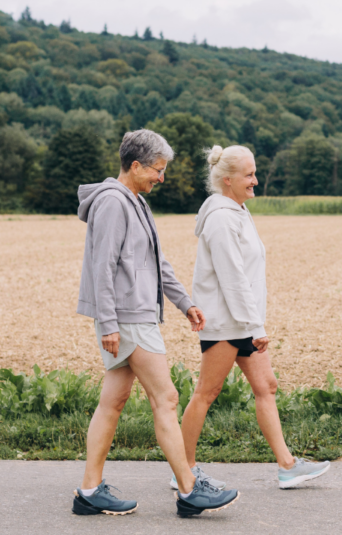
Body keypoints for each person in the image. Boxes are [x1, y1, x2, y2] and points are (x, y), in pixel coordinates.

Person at [73, 130, 240, 518]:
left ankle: (89, 491)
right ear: (135, 165)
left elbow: (157, 263)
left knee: (112, 403)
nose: (161, 177)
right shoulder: (115, 203)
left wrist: (184, 303)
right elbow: (103, 267)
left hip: (133, 316)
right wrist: (110, 323)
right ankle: (188, 490)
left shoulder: (136, 202)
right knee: (166, 399)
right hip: (129, 318)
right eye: (157, 170)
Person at [177, 144, 331, 490]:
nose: (256, 181)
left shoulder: (238, 211)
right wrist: (256, 326)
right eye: (249, 175)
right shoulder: (219, 218)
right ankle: (183, 469)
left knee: (266, 387)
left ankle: (288, 466)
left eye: (254, 173)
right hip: (226, 323)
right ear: (227, 179)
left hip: (243, 321)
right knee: (207, 392)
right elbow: (232, 278)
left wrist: (253, 323)